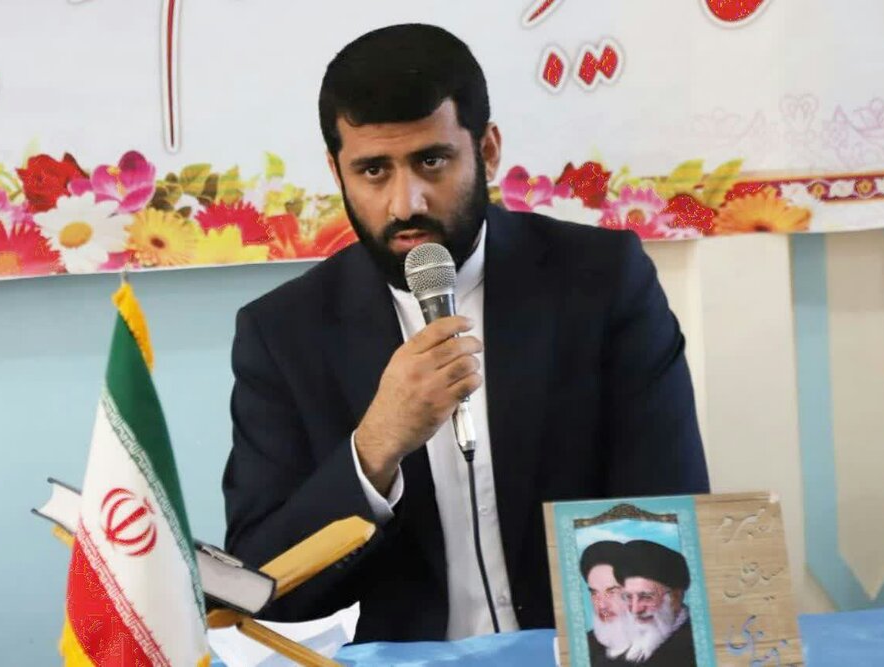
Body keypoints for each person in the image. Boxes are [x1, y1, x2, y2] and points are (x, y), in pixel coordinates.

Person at [222, 23, 709, 643]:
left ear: (488, 150)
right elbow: (265, 587)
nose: (406, 203)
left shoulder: (603, 282)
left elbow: (668, 517)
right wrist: (376, 446)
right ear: (336, 171)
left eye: (432, 161)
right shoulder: (282, 333)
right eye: (373, 170)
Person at [615, 540, 697, 665]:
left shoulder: (696, 644)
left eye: (646, 597)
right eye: (628, 597)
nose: (635, 609)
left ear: (676, 597)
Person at [581, 541, 633, 665]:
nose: (602, 605)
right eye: (594, 593)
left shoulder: (668, 644)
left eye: (612, 591)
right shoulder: (584, 646)